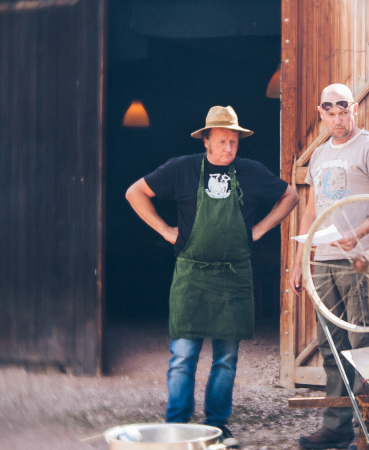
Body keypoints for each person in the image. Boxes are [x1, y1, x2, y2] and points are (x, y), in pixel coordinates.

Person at [126, 105, 298, 448]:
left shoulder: (251, 171)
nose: (228, 148)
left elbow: (290, 196)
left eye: (233, 142)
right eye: (221, 141)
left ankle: (217, 425)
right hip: (191, 275)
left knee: (226, 359)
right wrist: (165, 231)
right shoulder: (182, 169)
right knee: (183, 357)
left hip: (234, 277)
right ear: (205, 140)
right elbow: (135, 192)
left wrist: (260, 229)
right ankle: (177, 426)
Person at [290, 84, 369, 450]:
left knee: (363, 343)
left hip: (362, 259)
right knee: (331, 346)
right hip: (324, 261)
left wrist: (359, 232)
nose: (338, 119)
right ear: (321, 113)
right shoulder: (319, 154)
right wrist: (300, 262)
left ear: (354, 108)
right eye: (330, 112)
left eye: (343, 110)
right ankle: (336, 426)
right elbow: (310, 211)